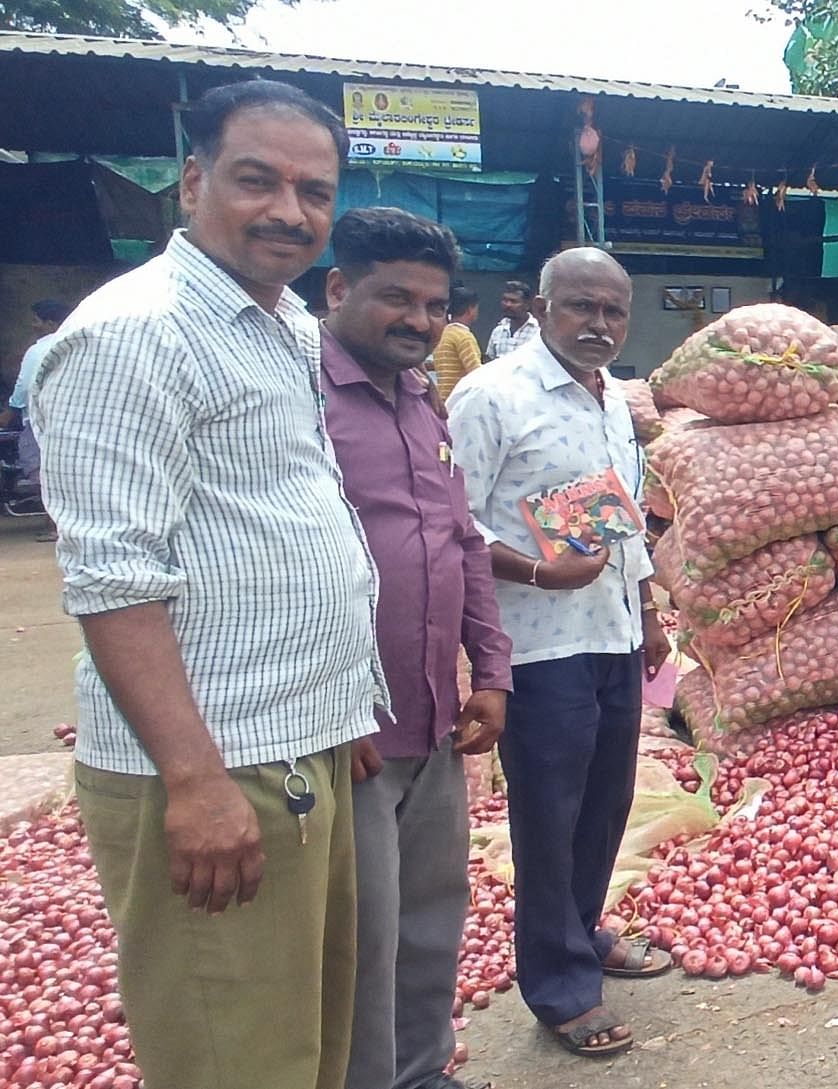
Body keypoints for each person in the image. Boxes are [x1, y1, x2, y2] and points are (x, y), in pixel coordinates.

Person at [35, 78, 383, 1089]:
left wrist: (341, 698)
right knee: (230, 1057)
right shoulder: (132, 334)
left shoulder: (281, 329)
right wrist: (193, 781)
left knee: (300, 1045)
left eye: (314, 191)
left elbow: (280, 516)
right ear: (191, 182)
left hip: (298, 743)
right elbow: (113, 578)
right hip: (214, 766)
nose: (290, 211)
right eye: (256, 180)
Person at [446, 246, 673, 1059]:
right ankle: (560, 985)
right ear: (540, 309)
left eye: (613, 310)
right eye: (581, 306)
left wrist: (645, 608)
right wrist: (540, 571)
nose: (599, 325)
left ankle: (584, 929)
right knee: (548, 816)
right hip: (538, 648)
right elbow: (453, 523)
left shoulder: (614, 398)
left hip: (610, 633)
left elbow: (618, 517)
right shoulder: (490, 396)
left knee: (606, 802)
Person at [317, 207, 513, 1089]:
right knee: (362, 928)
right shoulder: (298, 399)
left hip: (433, 709)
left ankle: (424, 1069)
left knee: (434, 911)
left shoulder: (419, 397)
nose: (420, 321)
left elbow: (460, 540)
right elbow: (283, 564)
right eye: (396, 297)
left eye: (435, 305)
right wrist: (326, 698)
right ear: (337, 289)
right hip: (347, 727)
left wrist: (491, 671)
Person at [5, 298, 70, 539]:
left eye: (37, 320)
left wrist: (9, 411)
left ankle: (55, 525)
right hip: (69, 420)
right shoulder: (76, 341)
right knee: (65, 471)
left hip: (39, 419)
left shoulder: (39, 349)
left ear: (50, 323)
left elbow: (24, 387)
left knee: (40, 470)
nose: (33, 325)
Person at [429, 283, 481, 407]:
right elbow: (476, 372)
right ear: (470, 310)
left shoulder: (443, 333)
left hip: (443, 399)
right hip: (459, 402)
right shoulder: (463, 336)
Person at [484, 280, 540, 358]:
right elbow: (490, 359)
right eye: (505, 300)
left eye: (513, 301)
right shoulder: (498, 330)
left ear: (527, 305)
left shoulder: (538, 332)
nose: (508, 305)